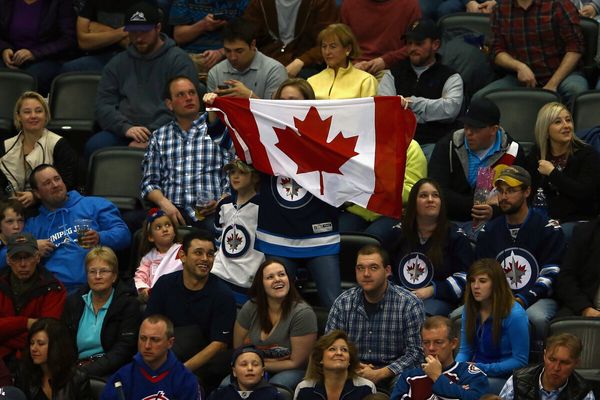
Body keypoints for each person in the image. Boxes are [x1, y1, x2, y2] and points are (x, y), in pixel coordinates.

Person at [204, 78, 342, 308]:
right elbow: (225, 138)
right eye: (282, 100)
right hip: (278, 235)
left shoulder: (324, 139)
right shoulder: (266, 139)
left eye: (293, 100)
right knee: (277, 306)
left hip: (320, 235)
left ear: (309, 105)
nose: (287, 105)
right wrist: (213, 108)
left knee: (335, 304)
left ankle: (338, 344)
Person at [85, 1, 199, 158]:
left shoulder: (179, 61)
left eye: (144, 32)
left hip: (167, 131)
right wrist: (126, 128)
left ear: (158, 28)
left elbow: (182, 106)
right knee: (95, 146)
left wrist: (151, 134)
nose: (138, 38)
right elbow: (103, 105)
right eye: (133, 32)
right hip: (125, 130)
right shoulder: (118, 63)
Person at [476, 165, 565, 341]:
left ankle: (537, 361)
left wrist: (523, 300)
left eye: (511, 191)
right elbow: (480, 272)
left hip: (538, 299)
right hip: (497, 298)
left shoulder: (548, 228)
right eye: (500, 191)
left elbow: (552, 273)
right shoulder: (489, 231)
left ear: (527, 191)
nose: (504, 197)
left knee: (536, 317)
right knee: (460, 314)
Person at [145, 230, 236, 392]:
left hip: (204, 365)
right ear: (183, 256)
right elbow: (150, 327)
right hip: (166, 355)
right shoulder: (165, 285)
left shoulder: (223, 295)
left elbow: (219, 344)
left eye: (210, 254)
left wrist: (181, 370)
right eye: (198, 253)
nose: (205, 259)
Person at [325, 244, 425, 389]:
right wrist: (352, 365)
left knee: (407, 382)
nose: (366, 274)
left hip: (394, 372)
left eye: (373, 268)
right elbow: (329, 346)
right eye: (360, 268)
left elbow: (416, 353)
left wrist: (380, 373)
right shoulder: (343, 303)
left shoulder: (409, 304)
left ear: (387, 271)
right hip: (353, 369)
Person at [141, 75, 231, 232]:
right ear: (169, 104)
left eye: (192, 93)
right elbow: (149, 183)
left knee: (224, 231)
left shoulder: (218, 129)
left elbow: (232, 173)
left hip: (211, 212)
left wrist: (221, 202)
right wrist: (163, 203)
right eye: (181, 95)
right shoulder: (159, 136)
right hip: (172, 211)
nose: (189, 98)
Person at [25, 164, 131, 292]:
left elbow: (124, 235)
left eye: (57, 179)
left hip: (96, 287)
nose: (55, 185)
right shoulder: (33, 224)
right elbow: (7, 256)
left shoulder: (95, 204)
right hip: (54, 292)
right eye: (47, 183)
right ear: (37, 193)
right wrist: (30, 247)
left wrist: (100, 237)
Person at [428, 97, 526, 223]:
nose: (468, 133)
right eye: (466, 126)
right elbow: (436, 191)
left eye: (476, 128)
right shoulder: (447, 145)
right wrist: (480, 204)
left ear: (494, 129)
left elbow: (520, 197)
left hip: (495, 223)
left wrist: (494, 212)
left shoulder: (513, 152)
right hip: (449, 220)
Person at [377, 19, 463, 158]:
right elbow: (385, 108)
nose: (412, 48)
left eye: (419, 43)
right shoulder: (394, 72)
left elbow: (450, 109)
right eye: (409, 43)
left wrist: (412, 103)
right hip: (397, 143)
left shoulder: (450, 76)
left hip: (432, 144)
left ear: (435, 45)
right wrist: (429, 112)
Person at [474, 0, 587, 104]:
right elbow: (496, 50)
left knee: (575, 90)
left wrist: (552, 84)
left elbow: (575, 47)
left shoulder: (559, 5)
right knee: (480, 98)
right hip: (519, 77)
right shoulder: (500, 9)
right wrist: (519, 67)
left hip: (562, 75)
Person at [391, 179, 474, 317]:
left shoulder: (456, 236)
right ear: (413, 202)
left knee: (419, 316)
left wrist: (432, 290)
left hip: (436, 301)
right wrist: (397, 293)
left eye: (435, 195)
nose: (431, 200)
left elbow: (466, 277)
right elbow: (385, 270)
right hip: (397, 300)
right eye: (424, 195)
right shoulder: (397, 233)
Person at [234, 260, 317, 392]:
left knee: (274, 389)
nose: (277, 280)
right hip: (254, 367)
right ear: (261, 284)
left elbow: (296, 362)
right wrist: (253, 368)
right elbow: (238, 350)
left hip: (293, 371)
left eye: (281, 274)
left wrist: (259, 367)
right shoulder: (250, 307)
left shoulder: (303, 314)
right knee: (227, 384)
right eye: (270, 277)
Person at [62, 246, 141, 379]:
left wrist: (85, 372)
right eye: (92, 271)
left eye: (104, 271)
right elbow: (62, 341)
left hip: (112, 371)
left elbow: (124, 349)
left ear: (114, 276)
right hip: (76, 368)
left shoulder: (128, 304)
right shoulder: (74, 301)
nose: (97, 276)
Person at [456, 259, 529, 394]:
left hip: (503, 377)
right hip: (476, 371)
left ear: (496, 284)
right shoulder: (469, 309)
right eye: (472, 281)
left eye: (482, 281)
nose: (475, 286)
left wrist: (482, 368)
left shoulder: (515, 314)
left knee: (465, 390)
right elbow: (465, 350)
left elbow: (520, 361)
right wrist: (456, 370)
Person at [525, 102, 600, 232]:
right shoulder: (537, 154)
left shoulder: (587, 154)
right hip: (544, 218)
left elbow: (585, 193)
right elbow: (530, 193)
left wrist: (552, 173)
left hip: (579, 220)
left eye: (568, 120)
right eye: (558, 122)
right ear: (546, 130)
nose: (566, 126)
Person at [0, 91, 78, 208]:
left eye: (39, 111)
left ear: (46, 115)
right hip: (12, 208)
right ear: (18, 116)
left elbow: (67, 182)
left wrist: (35, 196)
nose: (33, 116)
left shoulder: (59, 144)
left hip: (50, 206)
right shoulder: (5, 146)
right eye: (27, 112)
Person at [0, 233, 66, 365]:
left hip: (35, 361)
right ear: (8, 260)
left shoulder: (54, 288)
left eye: (28, 257)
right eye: (16, 258)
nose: (22, 264)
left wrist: (6, 334)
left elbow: (46, 336)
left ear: (37, 258)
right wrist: (26, 323)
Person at [101, 315, 202, 400]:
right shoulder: (122, 377)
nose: (147, 346)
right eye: (143, 338)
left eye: (155, 339)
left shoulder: (186, 380)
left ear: (170, 343)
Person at [390, 316, 489, 400]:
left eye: (438, 342)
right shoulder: (408, 377)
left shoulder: (471, 374)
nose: (431, 348)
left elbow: (473, 397)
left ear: (453, 343)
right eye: (426, 343)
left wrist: (437, 377)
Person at [211, 159, 263, 304]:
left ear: (255, 177)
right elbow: (218, 240)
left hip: (247, 278)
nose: (235, 176)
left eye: (242, 172)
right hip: (219, 273)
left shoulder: (263, 207)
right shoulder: (224, 204)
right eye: (232, 172)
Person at [243, 0, 338, 78]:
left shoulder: (321, 3)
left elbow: (330, 41)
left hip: (308, 66)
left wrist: (301, 61)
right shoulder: (259, 3)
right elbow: (247, 38)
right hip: (267, 62)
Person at [0, 0, 77, 95]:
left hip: (46, 58)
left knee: (27, 79)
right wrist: (4, 49)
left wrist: (34, 53)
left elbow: (69, 39)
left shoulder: (59, 3)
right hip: (11, 57)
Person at [207, 18, 288, 100]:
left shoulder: (274, 71)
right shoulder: (215, 73)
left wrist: (250, 97)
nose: (232, 57)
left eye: (239, 51)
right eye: (227, 51)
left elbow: (275, 111)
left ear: (253, 44)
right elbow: (212, 111)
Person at [13, 318, 92, 399]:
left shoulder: (77, 379)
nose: (33, 348)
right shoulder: (24, 373)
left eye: (40, 344)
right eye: (32, 343)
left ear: (56, 346)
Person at [499, 333, 594, 400]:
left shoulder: (583, 393)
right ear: (544, 355)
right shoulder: (518, 380)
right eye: (552, 360)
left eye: (564, 363)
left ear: (576, 363)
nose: (556, 368)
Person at [340, 0, 420, 75]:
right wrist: (352, 64)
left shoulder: (409, 4)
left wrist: (386, 61)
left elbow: (417, 46)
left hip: (392, 69)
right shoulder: (349, 4)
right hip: (353, 68)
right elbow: (339, 44)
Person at [294, 330, 376, 400]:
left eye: (344, 350)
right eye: (332, 349)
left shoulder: (366, 388)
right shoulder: (304, 389)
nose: (339, 353)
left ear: (349, 360)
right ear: (320, 359)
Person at [170, 0, 248, 71]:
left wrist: (221, 52)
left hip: (229, 54)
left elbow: (249, 37)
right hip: (192, 55)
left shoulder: (243, 2)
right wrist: (203, 25)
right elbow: (178, 36)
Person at [60, 0, 138, 72]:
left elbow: (134, 44)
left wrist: (100, 29)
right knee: (68, 68)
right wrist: (122, 32)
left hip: (131, 59)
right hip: (100, 56)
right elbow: (83, 42)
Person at [307, 23, 378, 100]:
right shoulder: (311, 82)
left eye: (333, 46)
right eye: (324, 46)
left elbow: (369, 111)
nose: (327, 52)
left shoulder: (365, 81)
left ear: (348, 49)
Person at [134, 208, 182, 303]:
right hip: (154, 297)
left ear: (174, 231)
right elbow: (140, 276)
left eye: (168, 225)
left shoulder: (182, 250)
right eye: (158, 227)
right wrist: (144, 290)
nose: (165, 229)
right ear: (151, 237)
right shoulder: (148, 258)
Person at [555, 216, 600, 317]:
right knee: (562, 325)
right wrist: (585, 308)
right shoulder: (584, 232)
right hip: (587, 306)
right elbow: (565, 278)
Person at [209, 345, 280, 400]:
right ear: (234, 371)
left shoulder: (274, 396)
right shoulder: (220, 395)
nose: (250, 368)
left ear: (262, 371)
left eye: (255, 364)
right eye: (243, 364)